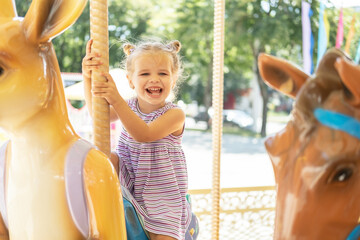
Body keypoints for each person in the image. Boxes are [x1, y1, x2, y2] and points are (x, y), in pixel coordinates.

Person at [82, 39, 191, 240]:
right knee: (104, 160)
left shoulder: (176, 115)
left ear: (173, 80)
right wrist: (88, 77)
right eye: (145, 74)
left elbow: (144, 134)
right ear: (131, 81)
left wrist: (114, 98)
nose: (154, 79)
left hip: (164, 200)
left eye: (163, 73)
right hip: (131, 184)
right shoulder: (129, 106)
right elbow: (98, 115)